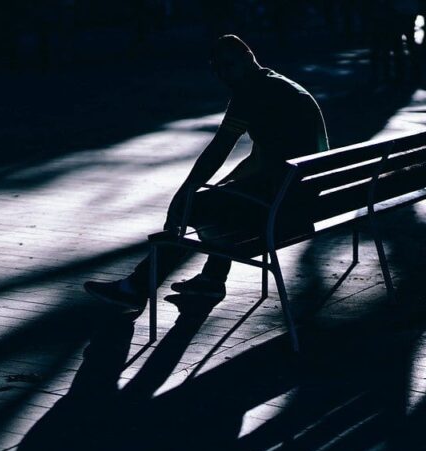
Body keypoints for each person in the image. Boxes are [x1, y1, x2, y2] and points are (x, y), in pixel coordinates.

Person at [84, 34, 329, 311]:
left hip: (280, 207)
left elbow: (218, 149)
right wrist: (222, 185)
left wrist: (185, 194)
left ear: (248, 57)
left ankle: (135, 288)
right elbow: (261, 157)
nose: (223, 74)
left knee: (192, 208)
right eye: (217, 68)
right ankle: (212, 279)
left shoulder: (250, 91)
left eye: (228, 65)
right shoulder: (280, 85)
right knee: (219, 202)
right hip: (302, 201)